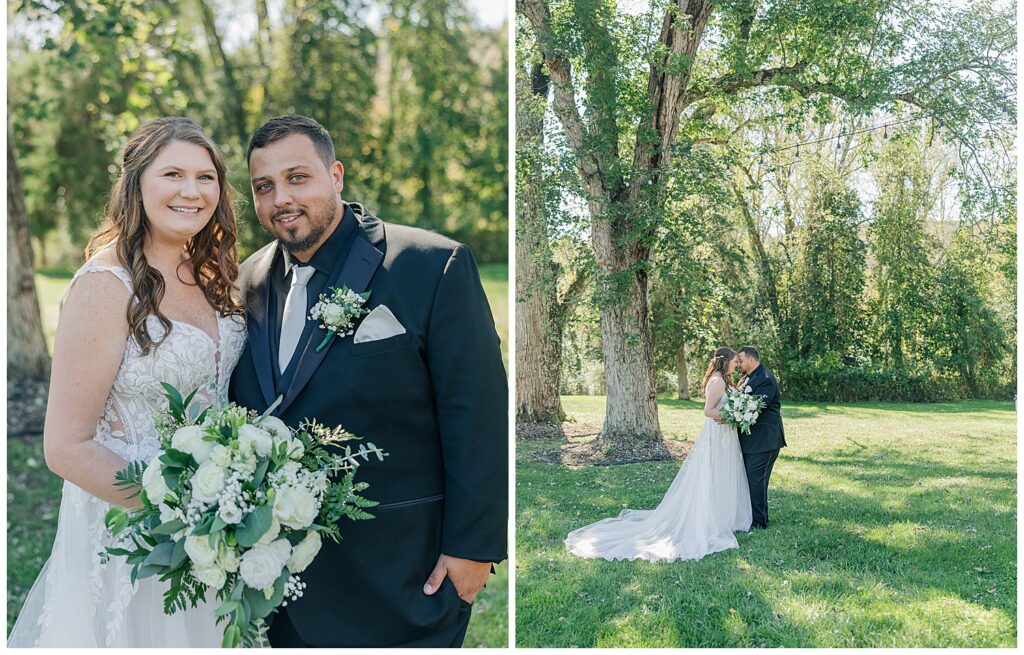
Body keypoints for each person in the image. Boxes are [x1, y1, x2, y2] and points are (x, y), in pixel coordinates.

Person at [228, 115, 508, 647]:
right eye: (265, 186)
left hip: (402, 579)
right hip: (280, 586)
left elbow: (477, 413)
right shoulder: (245, 284)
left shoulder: (431, 265)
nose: (281, 197)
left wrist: (474, 548)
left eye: (297, 177)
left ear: (335, 175)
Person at [8, 118, 247, 647]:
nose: (192, 191)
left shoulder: (215, 274)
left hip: (215, 530)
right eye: (173, 174)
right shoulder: (104, 285)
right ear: (137, 184)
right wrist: (180, 511)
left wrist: (224, 509)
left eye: (206, 177)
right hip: (132, 531)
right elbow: (65, 447)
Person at [564, 347, 751, 562]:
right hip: (717, 436)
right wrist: (731, 415)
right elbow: (708, 411)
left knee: (723, 475)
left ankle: (724, 517)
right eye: (734, 362)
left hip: (726, 437)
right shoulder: (717, 381)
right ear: (725, 361)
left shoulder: (724, 380)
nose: (736, 365)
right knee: (713, 475)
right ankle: (711, 519)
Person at [735, 346, 786, 528]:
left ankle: (759, 521)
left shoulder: (765, 380)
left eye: (740, 361)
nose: (738, 364)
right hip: (752, 441)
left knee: (756, 480)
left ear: (751, 360)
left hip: (765, 441)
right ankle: (752, 517)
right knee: (752, 479)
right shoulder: (750, 378)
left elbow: (753, 407)